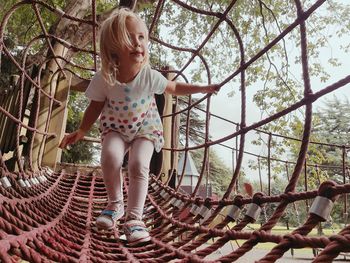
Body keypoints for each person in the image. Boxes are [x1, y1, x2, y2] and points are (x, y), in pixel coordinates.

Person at [59, 7, 220, 246]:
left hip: (145, 127)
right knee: (110, 157)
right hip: (115, 126)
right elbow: (95, 106)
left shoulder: (149, 75)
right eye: (130, 38)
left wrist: (202, 88)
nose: (138, 43)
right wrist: (82, 130)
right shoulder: (105, 77)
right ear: (113, 47)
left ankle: (135, 218)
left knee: (138, 164)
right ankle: (115, 205)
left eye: (142, 37)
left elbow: (174, 88)